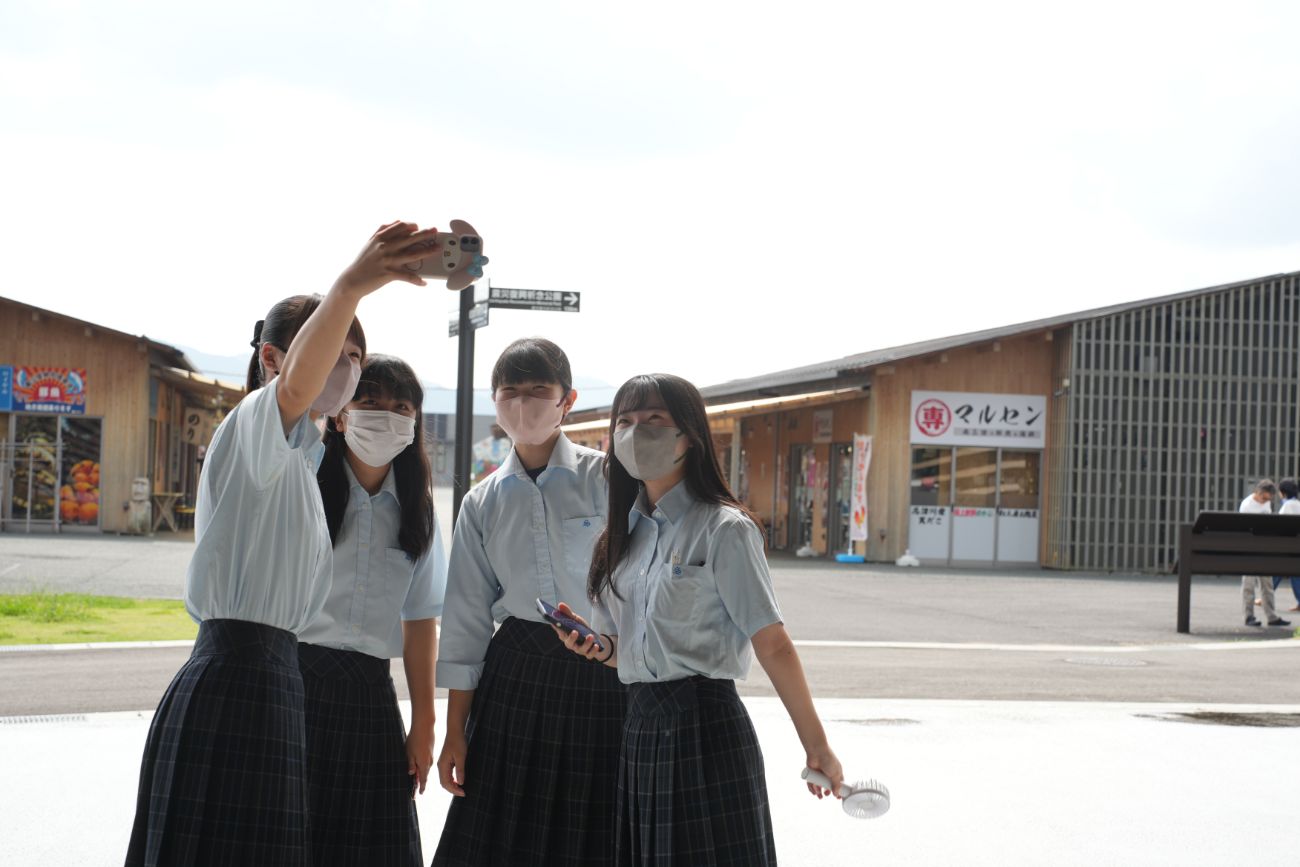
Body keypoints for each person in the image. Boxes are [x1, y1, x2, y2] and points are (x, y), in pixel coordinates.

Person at [125, 221, 441, 867]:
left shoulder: (299, 461)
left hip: (274, 677)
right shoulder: (254, 426)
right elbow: (298, 389)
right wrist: (351, 286)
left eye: (356, 358)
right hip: (237, 674)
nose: (345, 368)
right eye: (330, 350)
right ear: (273, 359)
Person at [553, 373, 844, 867]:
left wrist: (817, 746)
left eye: (654, 419)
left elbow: (773, 644)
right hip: (640, 726)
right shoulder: (624, 536)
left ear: (689, 434)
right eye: (624, 421)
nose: (636, 431)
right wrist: (600, 648)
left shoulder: (725, 528)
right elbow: (640, 646)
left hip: (705, 727)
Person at [432, 338, 625, 866]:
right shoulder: (482, 501)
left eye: (540, 390)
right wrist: (454, 733)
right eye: (510, 392)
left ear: (568, 399)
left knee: (595, 826)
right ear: (494, 403)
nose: (524, 403)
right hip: (514, 673)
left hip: (601, 668)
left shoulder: (610, 480)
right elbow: (466, 621)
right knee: (501, 830)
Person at [297, 354, 447, 866]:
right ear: (341, 413)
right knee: (291, 835)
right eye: (369, 400)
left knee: (372, 847)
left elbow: (422, 621)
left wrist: (423, 723)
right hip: (295, 680)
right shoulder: (304, 481)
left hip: (369, 693)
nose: (385, 414)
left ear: (414, 425)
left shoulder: (417, 510)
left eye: (401, 406)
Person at [1239, 479, 1290, 628]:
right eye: (1264, 498)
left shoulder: (1265, 502)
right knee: (1248, 584)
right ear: (1257, 492)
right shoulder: (1247, 505)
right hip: (1249, 548)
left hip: (1262, 547)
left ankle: (1271, 616)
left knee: (1267, 583)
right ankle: (1248, 616)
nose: (1266, 502)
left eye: (1268, 499)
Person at [1272, 478, 1300, 613]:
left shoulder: (1287, 506)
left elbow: (1281, 527)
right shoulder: (1298, 504)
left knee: (1276, 570)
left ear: (1283, 492)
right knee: (1296, 574)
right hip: (1297, 548)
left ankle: (1267, 596)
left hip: (1288, 547)